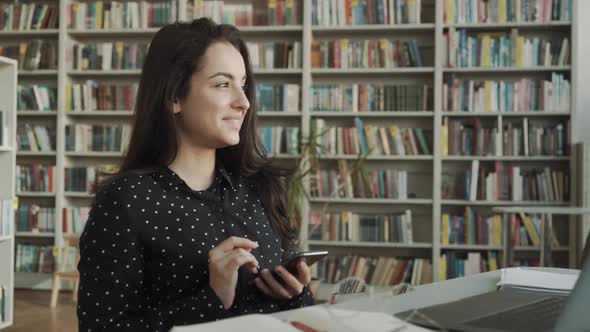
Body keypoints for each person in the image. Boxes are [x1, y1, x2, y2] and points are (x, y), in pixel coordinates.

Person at [77, 18, 314, 332]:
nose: (243, 102)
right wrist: (212, 299)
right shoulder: (126, 201)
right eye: (222, 84)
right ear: (175, 96)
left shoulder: (262, 188)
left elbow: (298, 315)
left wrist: (297, 296)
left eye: (243, 85)